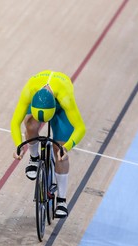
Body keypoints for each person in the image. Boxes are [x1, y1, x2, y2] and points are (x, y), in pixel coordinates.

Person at [10, 70, 86, 218]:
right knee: (31, 125)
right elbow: (15, 123)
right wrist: (19, 146)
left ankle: (62, 201)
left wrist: (66, 147)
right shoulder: (29, 91)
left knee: (60, 152)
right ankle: (34, 158)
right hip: (39, 97)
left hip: (60, 105)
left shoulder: (66, 99)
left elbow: (81, 128)